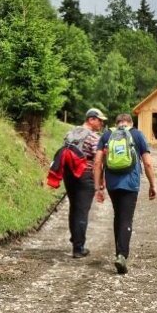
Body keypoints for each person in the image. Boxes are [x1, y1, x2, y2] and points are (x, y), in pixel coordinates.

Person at [93, 113, 157, 274]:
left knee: (118, 215)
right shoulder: (137, 134)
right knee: (126, 217)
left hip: (113, 183)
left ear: (117, 123)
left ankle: (119, 252)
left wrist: (98, 186)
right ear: (131, 123)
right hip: (131, 183)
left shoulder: (107, 134)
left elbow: (97, 162)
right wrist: (153, 184)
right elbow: (148, 163)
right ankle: (122, 255)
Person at [63, 108, 107, 258]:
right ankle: (78, 248)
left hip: (68, 174)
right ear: (91, 119)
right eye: (100, 120)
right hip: (85, 175)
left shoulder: (70, 133)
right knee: (82, 210)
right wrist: (100, 183)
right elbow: (97, 162)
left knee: (74, 207)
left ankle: (76, 238)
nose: (102, 123)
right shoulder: (95, 138)